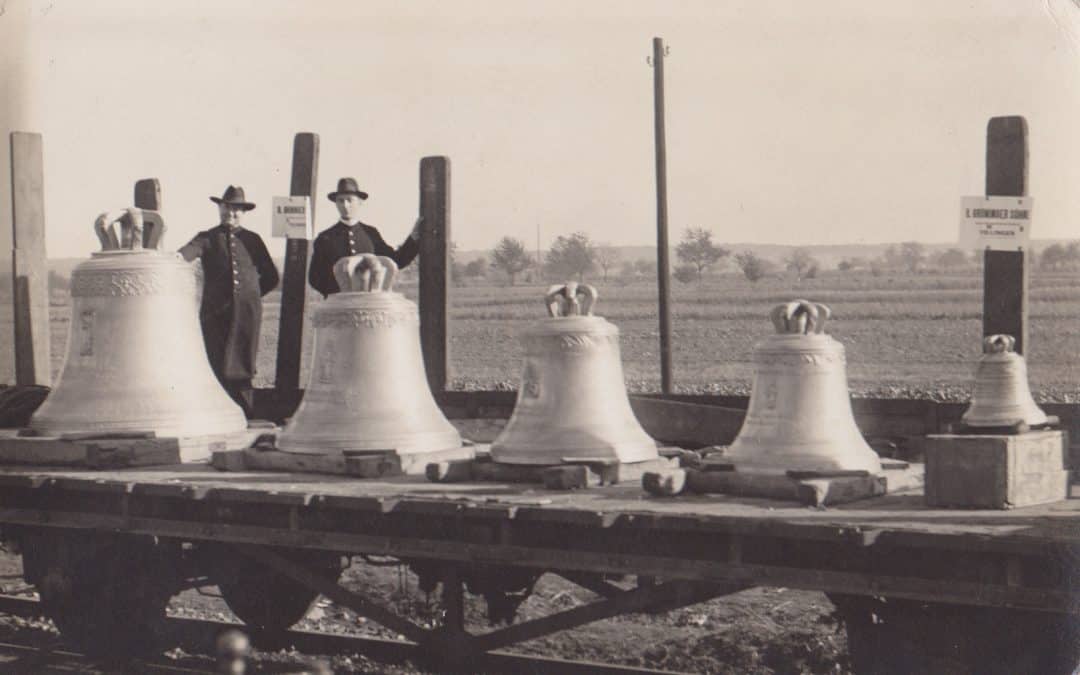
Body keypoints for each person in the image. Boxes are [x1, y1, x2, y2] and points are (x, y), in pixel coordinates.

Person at [179, 185, 279, 416]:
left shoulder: (253, 240)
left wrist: (249, 297)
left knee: (244, 362)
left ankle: (246, 412)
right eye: (226, 208)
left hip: (247, 314)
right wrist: (172, 258)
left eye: (236, 210)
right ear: (219, 208)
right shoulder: (207, 238)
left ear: (243, 213)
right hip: (215, 313)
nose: (230, 214)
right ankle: (217, 413)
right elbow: (185, 254)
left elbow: (271, 276)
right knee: (217, 359)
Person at [308, 177, 423, 297]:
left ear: (360, 202)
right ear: (336, 204)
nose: (345, 205)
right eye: (340, 201)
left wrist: (413, 238)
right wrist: (340, 293)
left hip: (369, 305)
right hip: (338, 306)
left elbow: (396, 260)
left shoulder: (371, 233)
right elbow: (315, 278)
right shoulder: (325, 238)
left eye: (349, 200)